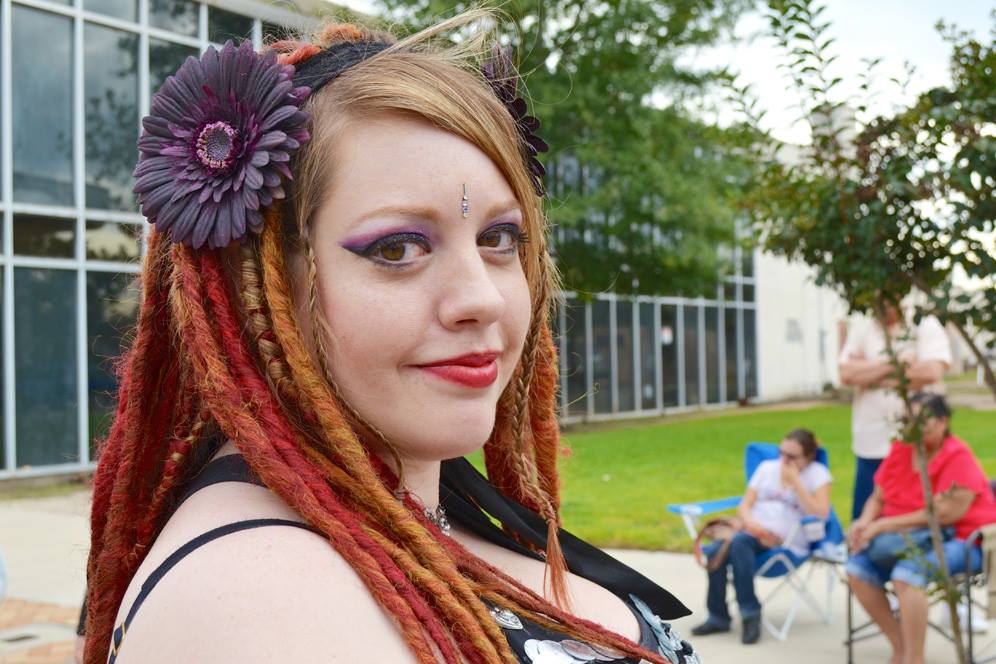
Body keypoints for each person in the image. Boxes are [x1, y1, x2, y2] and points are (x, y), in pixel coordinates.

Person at [80, 13, 701, 664]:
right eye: (397, 247)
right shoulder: (259, 606)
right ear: (257, 288)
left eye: (498, 239)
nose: (482, 299)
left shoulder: (392, 511)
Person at [846, 393, 996, 664]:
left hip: (963, 538)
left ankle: (915, 658)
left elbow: (944, 514)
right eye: (908, 420)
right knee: (857, 569)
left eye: (921, 420)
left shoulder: (958, 456)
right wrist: (865, 521)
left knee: (908, 574)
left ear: (942, 422)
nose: (913, 427)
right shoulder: (902, 449)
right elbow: (877, 497)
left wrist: (882, 525)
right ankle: (900, 645)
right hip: (904, 537)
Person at [691, 429, 832, 644]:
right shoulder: (767, 468)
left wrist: (796, 483)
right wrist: (751, 524)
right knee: (715, 550)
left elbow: (821, 513)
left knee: (738, 544)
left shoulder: (817, 474)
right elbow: (745, 505)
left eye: (792, 456)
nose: (784, 460)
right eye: (781, 453)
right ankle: (719, 616)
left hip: (787, 543)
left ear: (809, 456)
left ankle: (750, 613)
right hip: (751, 532)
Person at [838, 300, 951, 521]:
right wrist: (897, 363)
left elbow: (931, 372)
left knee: (910, 516)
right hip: (870, 444)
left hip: (915, 445)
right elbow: (846, 374)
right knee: (863, 516)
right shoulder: (863, 326)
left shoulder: (923, 323)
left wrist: (870, 372)